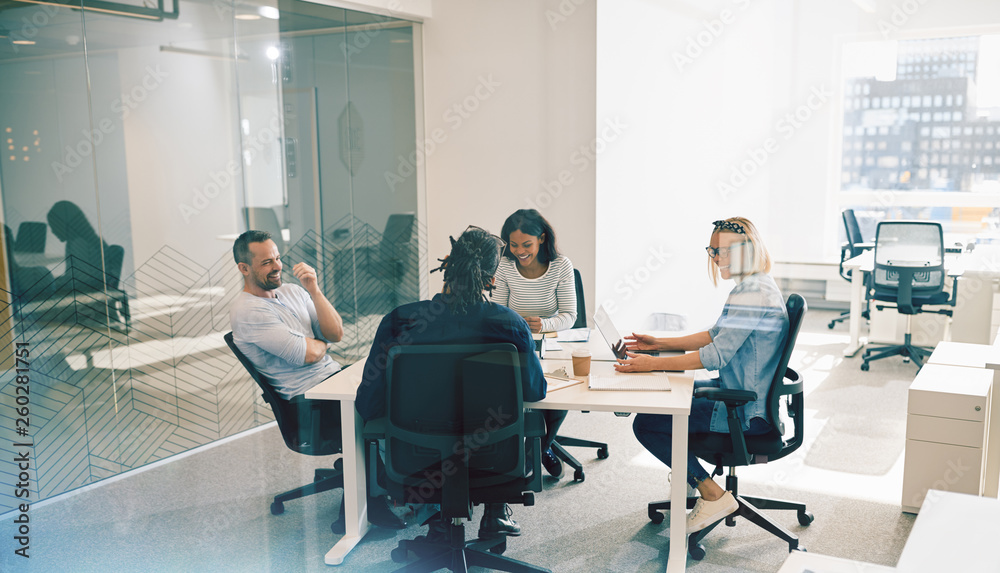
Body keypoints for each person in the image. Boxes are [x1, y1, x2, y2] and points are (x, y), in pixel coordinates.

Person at [356, 226, 547, 541]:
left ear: (447, 265)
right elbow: (535, 392)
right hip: (494, 460)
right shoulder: (510, 325)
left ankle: (437, 520)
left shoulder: (399, 321)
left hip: (416, 461)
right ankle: (495, 511)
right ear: (492, 280)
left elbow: (368, 403)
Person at [615, 217, 789, 534]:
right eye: (712, 250)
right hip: (741, 394)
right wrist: (660, 344)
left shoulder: (752, 294)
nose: (716, 258)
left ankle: (711, 492)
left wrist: (652, 364)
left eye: (722, 251)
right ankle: (691, 475)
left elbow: (715, 355)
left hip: (745, 412)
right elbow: (714, 335)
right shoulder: (755, 284)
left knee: (647, 423)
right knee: (670, 392)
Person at [228, 230, 405, 531]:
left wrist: (314, 289)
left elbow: (335, 333)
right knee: (387, 406)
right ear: (244, 268)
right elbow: (307, 355)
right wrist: (317, 342)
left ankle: (389, 480)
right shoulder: (248, 312)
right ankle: (372, 499)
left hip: (332, 380)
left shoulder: (293, 292)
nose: (277, 267)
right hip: (308, 404)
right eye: (266, 262)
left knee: (401, 386)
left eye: (278, 258)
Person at [492, 209, 574, 479]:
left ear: (541, 238)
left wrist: (544, 324)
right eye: (513, 245)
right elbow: (496, 311)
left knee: (557, 396)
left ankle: (539, 449)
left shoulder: (561, 266)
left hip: (550, 343)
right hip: (513, 343)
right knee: (510, 391)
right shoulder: (504, 266)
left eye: (526, 245)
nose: (520, 251)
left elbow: (570, 315)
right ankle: (529, 449)